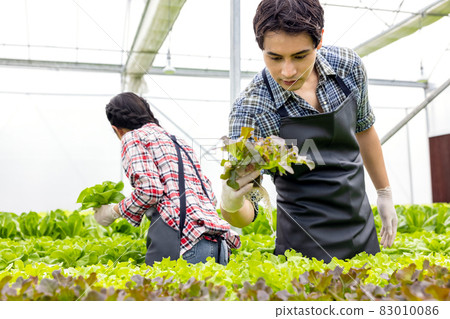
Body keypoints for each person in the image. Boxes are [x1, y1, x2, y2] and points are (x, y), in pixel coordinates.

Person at [220, 0, 397, 263]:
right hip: (302, 252)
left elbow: (364, 128)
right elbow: (249, 212)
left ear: (319, 40)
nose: (287, 71)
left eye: (300, 56)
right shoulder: (252, 108)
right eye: (275, 57)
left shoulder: (348, 67)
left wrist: (384, 192)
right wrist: (230, 205)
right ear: (261, 47)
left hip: (363, 235)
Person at [94, 92, 240, 266]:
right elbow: (209, 196)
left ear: (116, 129)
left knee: (162, 293)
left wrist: (112, 212)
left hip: (185, 245)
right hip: (218, 246)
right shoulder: (178, 141)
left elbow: (150, 191)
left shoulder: (132, 138)